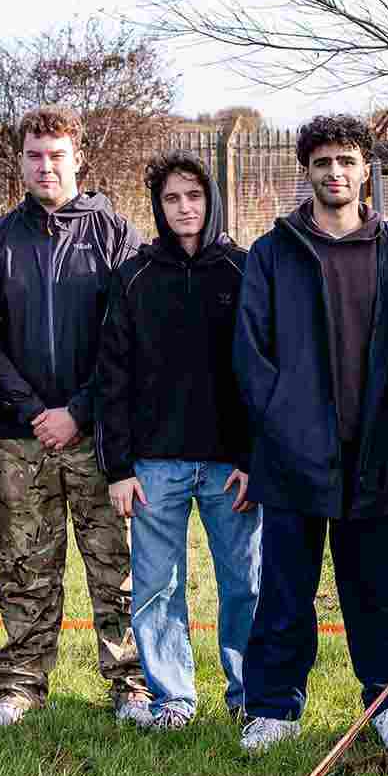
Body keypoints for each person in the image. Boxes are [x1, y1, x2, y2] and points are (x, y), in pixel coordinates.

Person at [232, 114, 388, 754]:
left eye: (346, 160)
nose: (335, 173)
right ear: (306, 171)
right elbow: (251, 354)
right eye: (322, 163)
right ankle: (272, 707)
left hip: (374, 453)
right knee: (285, 592)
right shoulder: (273, 252)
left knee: (378, 591)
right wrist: (286, 427)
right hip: (295, 457)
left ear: (367, 167)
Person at [0, 105, 148, 726]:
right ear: (18, 161)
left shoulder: (116, 235)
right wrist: (33, 409)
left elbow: (126, 338)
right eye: (34, 155)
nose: (45, 166)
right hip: (21, 438)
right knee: (22, 565)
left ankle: (131, 682)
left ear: (79, 158)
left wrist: (78, 410)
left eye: (56, 155)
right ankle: (18, 685)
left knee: (116, 564)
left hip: (97, 435)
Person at [98, 152, 258, 731]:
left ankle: (250, 697)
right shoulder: (135, 276)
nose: (184, 208)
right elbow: (112, 374)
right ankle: (173, 701)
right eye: (171, 199)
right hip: (155, 464)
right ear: (158, 208)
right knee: (156, 587)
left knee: (244, 583)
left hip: (229, 468)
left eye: (193, 196)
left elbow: (265, 373)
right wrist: (118, 465)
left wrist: (253, 459)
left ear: (211, 200)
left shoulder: (244, 270)